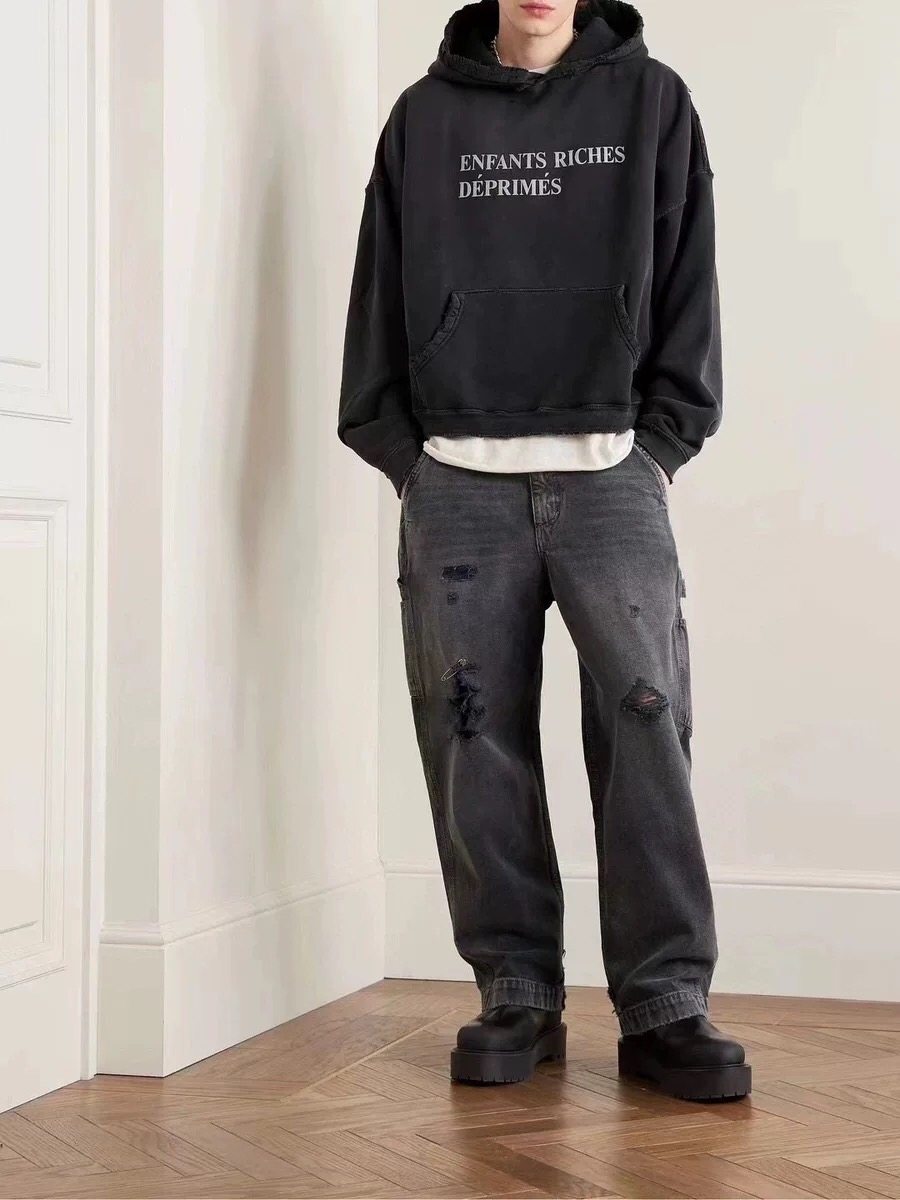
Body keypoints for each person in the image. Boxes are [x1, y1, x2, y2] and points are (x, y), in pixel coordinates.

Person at [338, 0, 751, 1102]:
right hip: (455, 478)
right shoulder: (423, 117)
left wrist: (662, 442)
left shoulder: (653, 102)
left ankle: (665, 1006)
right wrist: (402, 451)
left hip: (614, 469)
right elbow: (378, 286)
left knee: (647, 725)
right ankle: (516, 990)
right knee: (473, 733)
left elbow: (691, 274)